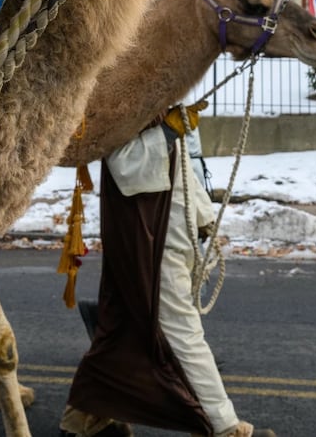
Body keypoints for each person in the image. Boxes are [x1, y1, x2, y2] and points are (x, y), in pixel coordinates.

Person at [60, 108, 275, 437]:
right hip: (151, 241)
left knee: (120, 331)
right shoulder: (125, 101)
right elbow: (125, 167)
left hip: (171, 235)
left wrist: (202, 217)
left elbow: (181, 166)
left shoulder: (158, 98)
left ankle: (84, 420)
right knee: (183, 332)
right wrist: (168, 133)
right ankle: (224, 427)